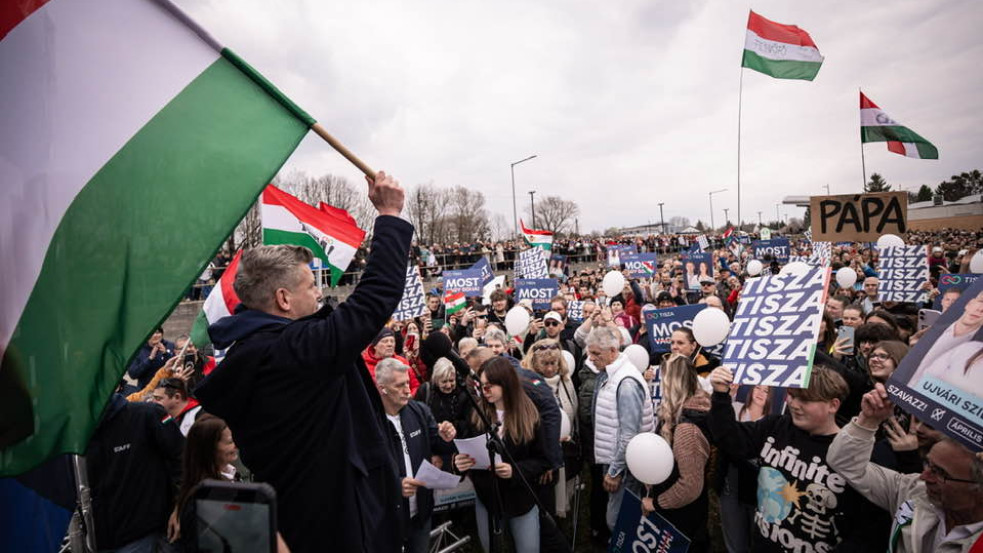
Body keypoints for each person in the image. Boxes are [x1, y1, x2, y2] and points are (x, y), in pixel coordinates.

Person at [195, 171, 412, 553]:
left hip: (305, 521)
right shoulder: (289, 352)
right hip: (340, 528)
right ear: (283, 299)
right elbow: (375, 299)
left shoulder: (257, 352)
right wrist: (390, 216)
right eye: (311, 285)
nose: (319, 294)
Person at [708, 365, 868, 552]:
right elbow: (728, 437)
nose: (794, 404)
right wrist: (720, 394)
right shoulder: (775, 426)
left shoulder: (851, 452)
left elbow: (864, 532)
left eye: (806, 400)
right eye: (792, 395)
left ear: (833, 405)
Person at [827, 384, 983, 552]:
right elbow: (845, 463)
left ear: (978, 487)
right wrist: (868, 420)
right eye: (929, 465)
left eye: (940, 473)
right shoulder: (914, 491)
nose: (924, 477)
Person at [454, 357, 552, 553]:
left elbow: (543, 460)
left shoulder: (529, 415)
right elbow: (466, 449)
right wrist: (459, 463)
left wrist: (514, 470)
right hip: (487, 498)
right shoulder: (477, 413)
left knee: (529, 548)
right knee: (491, 547)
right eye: (482, 386)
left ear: (506, 383)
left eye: (490, 386)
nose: (485, 391)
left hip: (521, 499)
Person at [376, 358, 457, 553]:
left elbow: (438, 444)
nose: (407, 390)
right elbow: (363, 471)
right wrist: (396, 484)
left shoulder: (419, 411)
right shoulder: (368, 422)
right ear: (382, 388)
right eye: (400, 385)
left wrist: (447, 437)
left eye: (407, 382)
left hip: (420, 513)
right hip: (386, 518)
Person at [85, 393, 183, 552]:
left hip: (145, 534)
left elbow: (182, 459)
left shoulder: (146, 415)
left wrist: (181, 507)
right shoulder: (78, 433)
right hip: (100, 539)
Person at [588, 326, 655, 530]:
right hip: (616, 459)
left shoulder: (626, 383)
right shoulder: (611, 373)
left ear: (613, 351)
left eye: (596, 354)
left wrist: (615, 471)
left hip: (625, 466)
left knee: (619, 523)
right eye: (589, 353)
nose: (591, 359)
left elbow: (629, 435)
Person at [643, 353, 711, 552]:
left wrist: (657, 503)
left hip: (682, 520)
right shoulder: (677, 413)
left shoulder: (686, 430)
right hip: (676, 514)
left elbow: (690, 485)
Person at [525, 338, 579, 518]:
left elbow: (573, 412)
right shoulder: (529, 387)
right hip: (541, 454)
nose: (549, 369)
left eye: (553, 363)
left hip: (565, 450)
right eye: (544, 364)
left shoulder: (566, 382)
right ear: (534, 362)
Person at [167, 415, 240, 547]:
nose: (236, 445)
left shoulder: (228, 478)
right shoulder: (208, 497)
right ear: (210, 448)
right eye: (230, 442)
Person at [363, 327, 422, 394]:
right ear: (375, 346)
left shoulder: (402, 361)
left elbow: (415, 386)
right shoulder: (365, 366)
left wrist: (409, 397)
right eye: (385, 341)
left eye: (392, 341)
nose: (390, 344)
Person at [126, 327, 174, 392]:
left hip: (168, 389)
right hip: (146, 391)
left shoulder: (170, 346)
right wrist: (150, 359)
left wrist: (165, 353)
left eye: (158, 332)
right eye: (151, 333)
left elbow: (175, 366)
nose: (155, 335)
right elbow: (133, 374)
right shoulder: (137, 350)